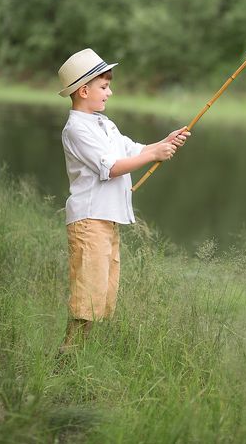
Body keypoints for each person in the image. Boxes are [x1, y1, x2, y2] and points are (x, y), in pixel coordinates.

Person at [56, 47, 189, 349]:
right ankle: (66, 359)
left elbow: (131, 150)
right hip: (89, 221)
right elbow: (111, 168)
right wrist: (154, 154)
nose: (110, 92)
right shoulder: (76, 128)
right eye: (104, 87)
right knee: (86, 298)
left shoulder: (104, 123)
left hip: (106, 220)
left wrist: (163, 143)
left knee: (100, 296)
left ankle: (77, 357)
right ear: (83, 89)